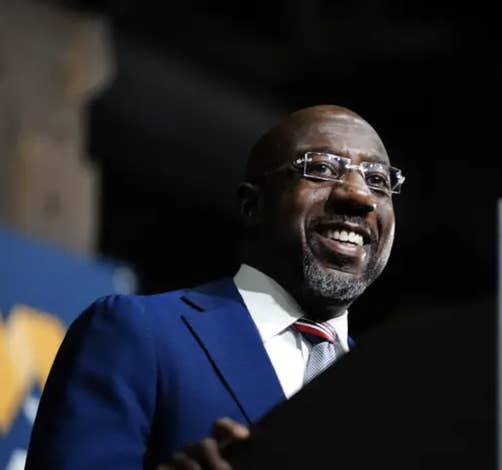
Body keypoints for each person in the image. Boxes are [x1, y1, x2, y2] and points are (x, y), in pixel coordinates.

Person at [26, 104, 405, 469]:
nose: (358, 196)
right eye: (321, 168)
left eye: (378, 181)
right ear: (252, 205)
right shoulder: (138, 333)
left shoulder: (390, 401)